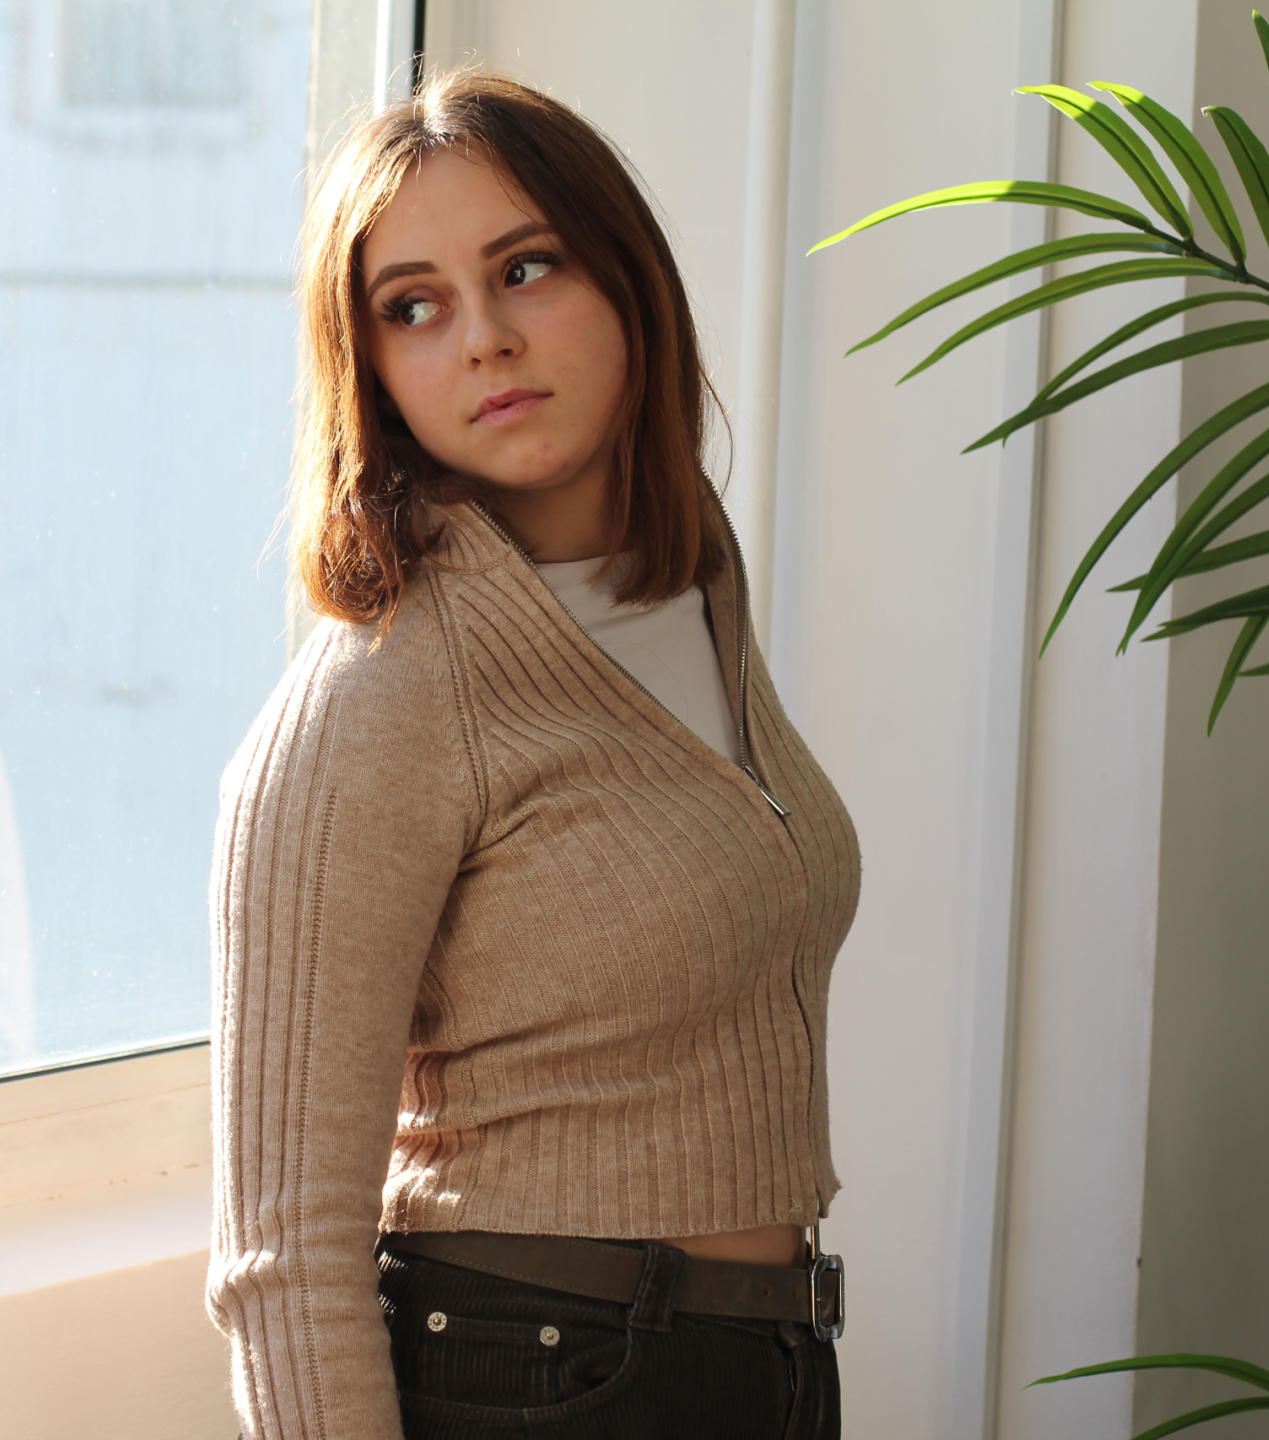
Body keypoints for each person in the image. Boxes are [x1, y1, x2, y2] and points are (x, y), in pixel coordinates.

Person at [207, 70, 860, 1440]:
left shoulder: (691, 580)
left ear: (628, 282)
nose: (486, 340)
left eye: (525, 268)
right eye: (414, 307)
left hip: (759, 1362)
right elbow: (282, 1253)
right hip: (542, 1371)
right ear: (370, 369)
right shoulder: (384, 692)